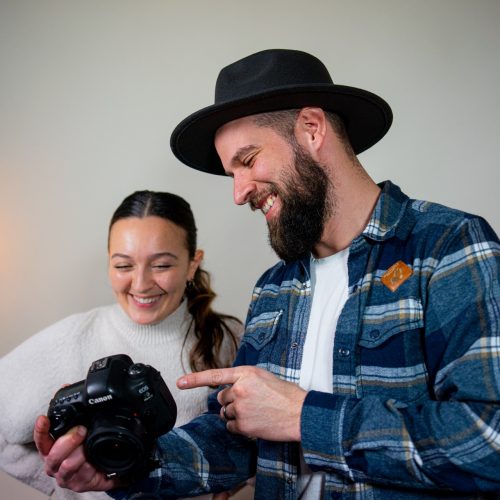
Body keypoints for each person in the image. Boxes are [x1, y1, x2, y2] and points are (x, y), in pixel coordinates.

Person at [34, 49, 500, 498]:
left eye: (248, 160)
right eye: (230, 173)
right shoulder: (275, 288)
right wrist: (125, 469)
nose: (238, 193)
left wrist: (303, 416)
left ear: (312, 129)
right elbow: (239, 439)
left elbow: (490, 439)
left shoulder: (448, 248)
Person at [0, 190, 243, 499]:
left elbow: (251, 442)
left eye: (162, 265)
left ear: (193, 264)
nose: (140, 284)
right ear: (109, 263)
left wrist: (237, 482)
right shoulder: (75, 337)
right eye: (124, 266)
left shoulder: (229, 338)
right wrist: (61, 484)